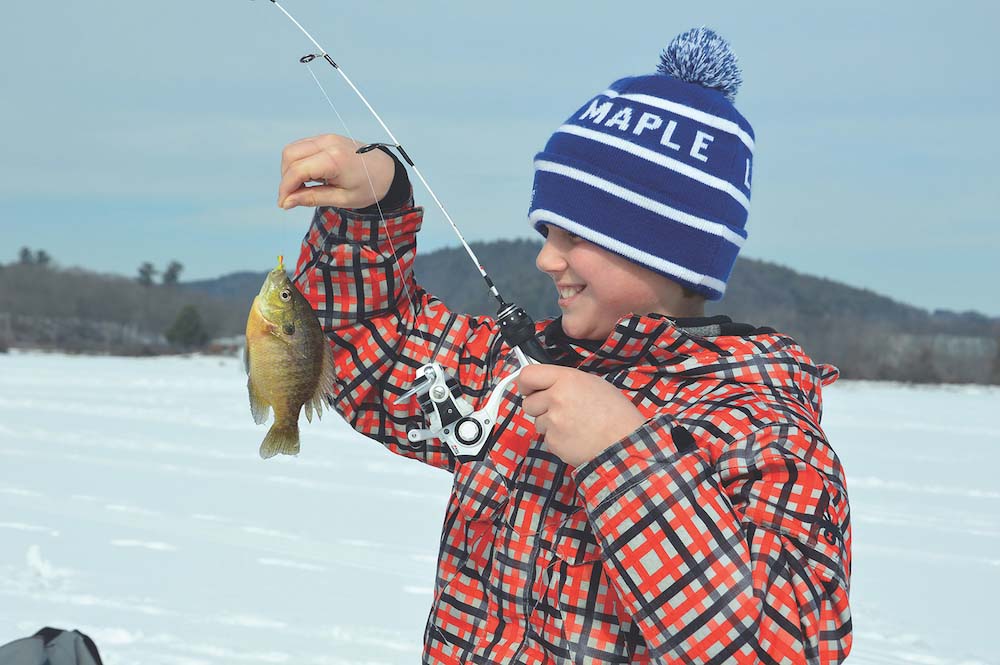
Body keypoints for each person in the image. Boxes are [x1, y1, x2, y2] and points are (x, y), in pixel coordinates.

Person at [276, 28, 852, 664]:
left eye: (574, 237)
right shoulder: (515, 373)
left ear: (667, 251)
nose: (547, 259)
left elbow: (780, 649)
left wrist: (624, 459)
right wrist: (374, 204)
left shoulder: (767, 438)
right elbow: (374, 350)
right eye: (547, 231)